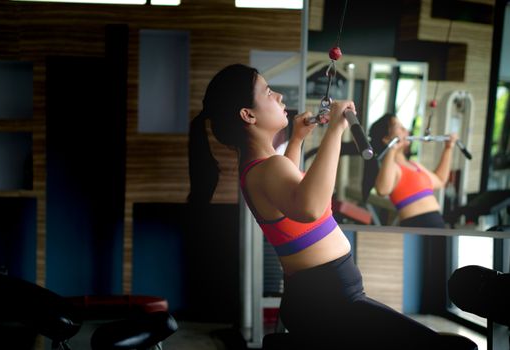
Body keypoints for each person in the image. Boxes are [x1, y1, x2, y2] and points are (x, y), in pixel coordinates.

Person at [188, 64, 476, 349]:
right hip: (329, 299)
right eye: (267, 92)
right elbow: (310, 206)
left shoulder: (258, 168)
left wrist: (298, 139)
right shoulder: (267, 168)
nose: (277, 97)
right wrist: (336, 130)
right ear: (248, 115)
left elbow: (289, 188)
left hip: (325, 296)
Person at [362, 113, 457, 228]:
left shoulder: (414, 165)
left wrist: (448, 148)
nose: (404, 129)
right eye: (398, 127)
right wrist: (392, 149)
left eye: (403, 126)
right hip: (417, 226)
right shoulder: (393, 168)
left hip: (438, 223)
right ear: (386, 139)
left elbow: (440, 180)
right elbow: (382, 190)